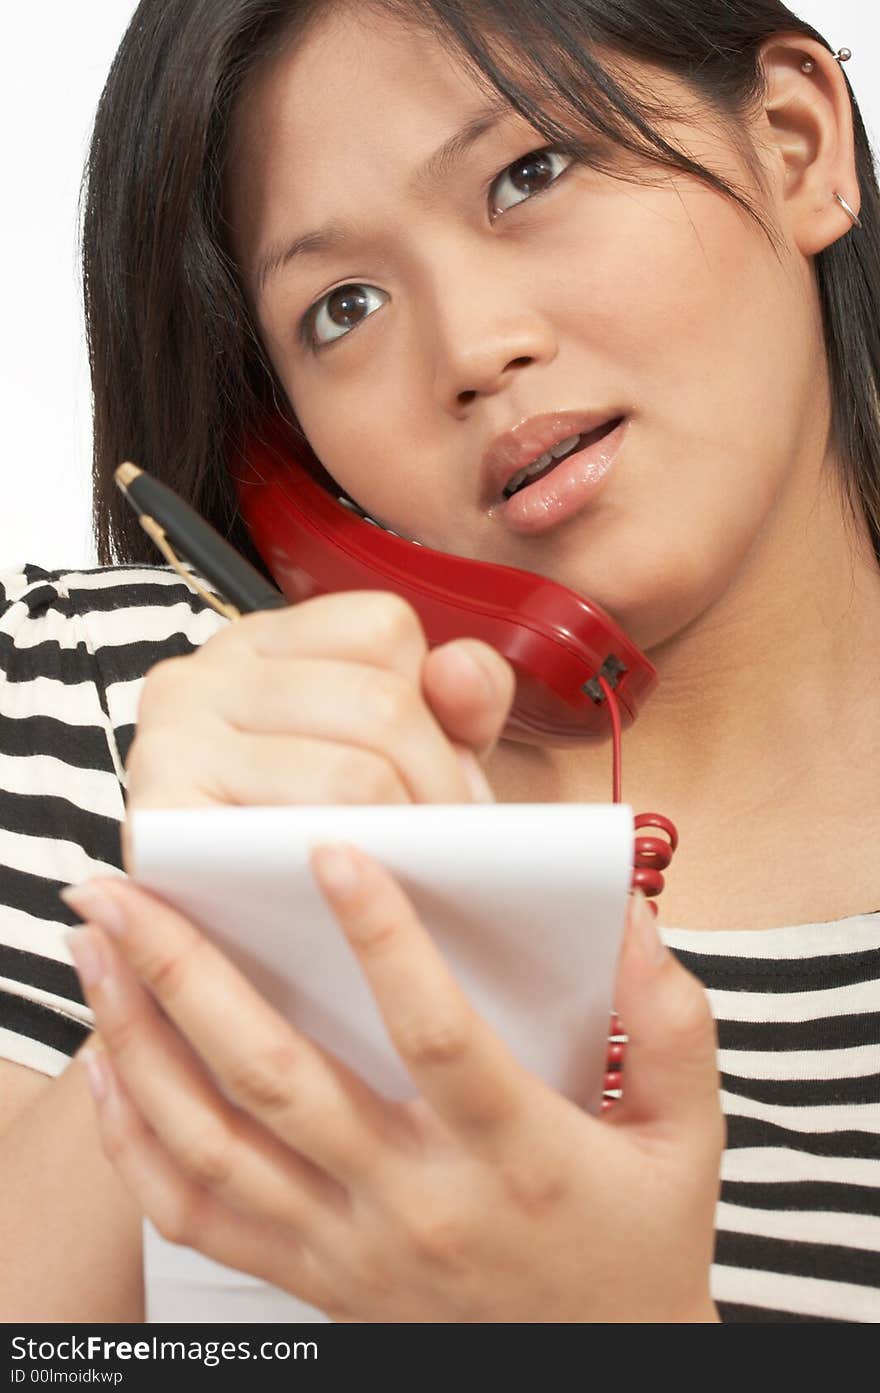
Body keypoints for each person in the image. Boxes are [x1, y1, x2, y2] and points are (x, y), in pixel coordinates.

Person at [2, 0, 879, 1324]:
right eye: (341, 305)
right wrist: (246, 927)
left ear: (799, 144)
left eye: (531, 172)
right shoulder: (108, 699)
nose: (473, 351)